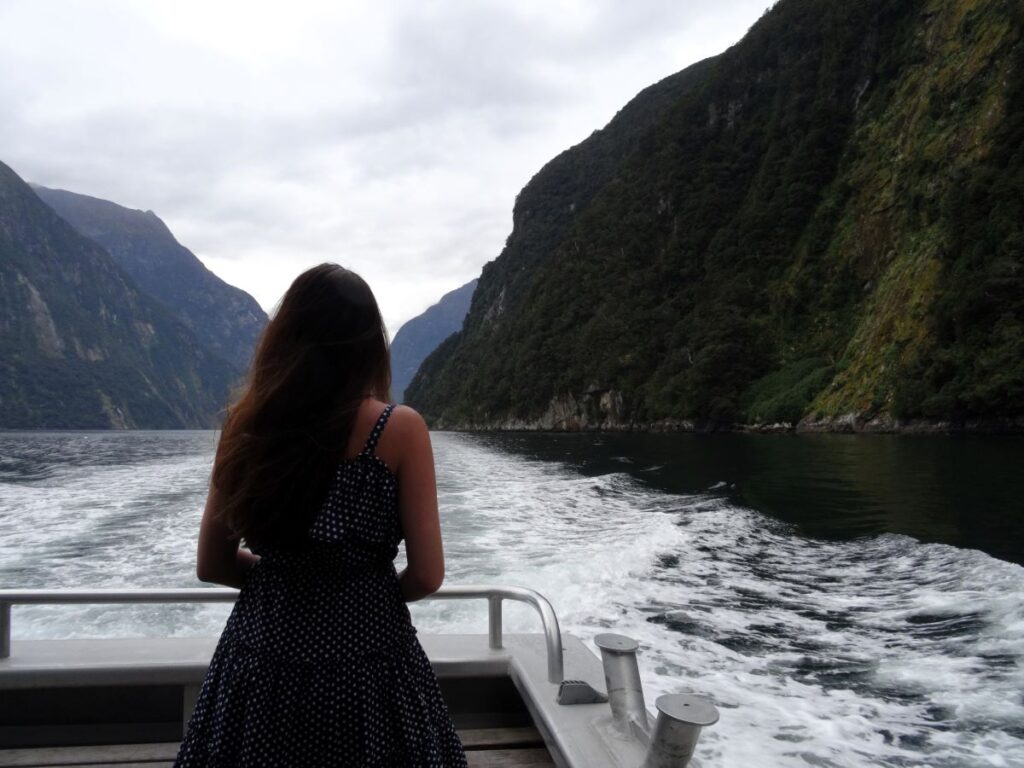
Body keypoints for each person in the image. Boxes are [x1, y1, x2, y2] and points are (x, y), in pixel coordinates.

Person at [174, 264, 467, 767]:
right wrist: (361, 593)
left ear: (284, 337)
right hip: (372, 668)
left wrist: (289, 578)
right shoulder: (400, 430)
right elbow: (428, 574)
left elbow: (213, 565)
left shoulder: (243, 427)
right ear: (369, 345)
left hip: (262, 664)